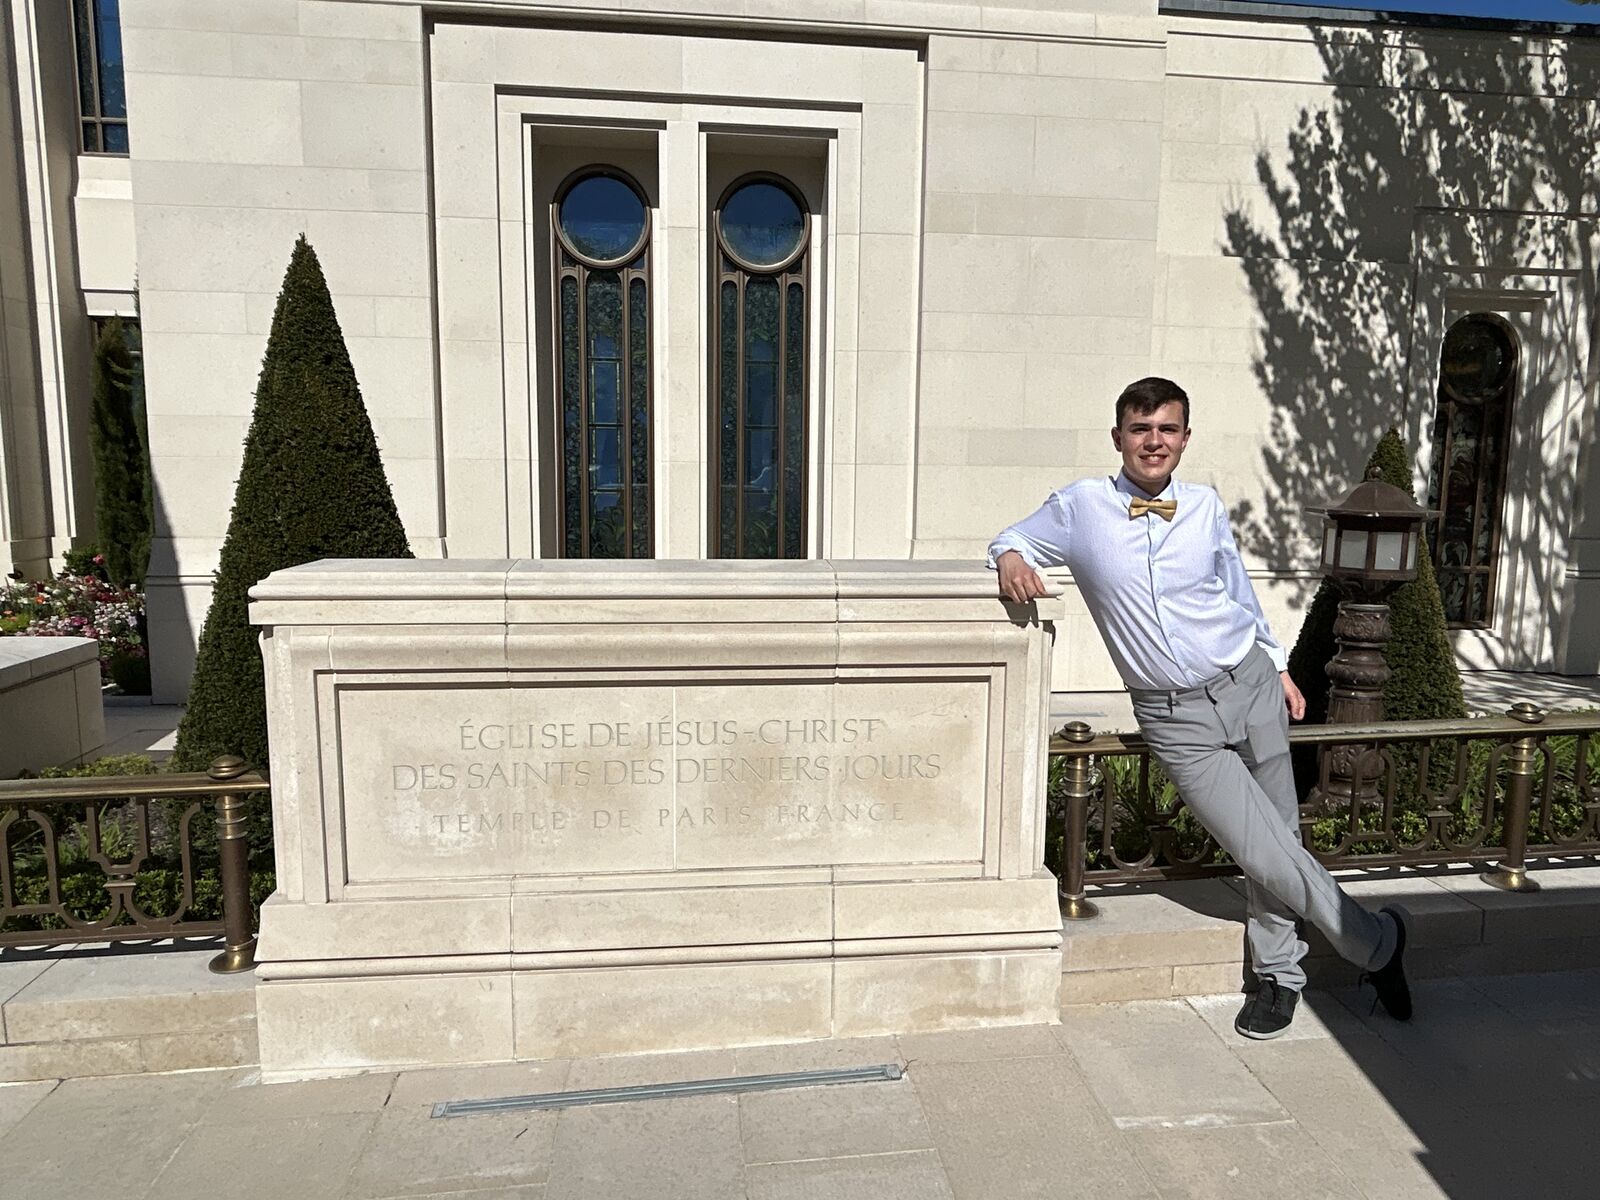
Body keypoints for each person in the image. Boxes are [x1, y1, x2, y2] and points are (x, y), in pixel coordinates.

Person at [987, 376, 1412, 1039]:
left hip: (1248, 684)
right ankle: (1377, 942)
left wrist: (1276, 664)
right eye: (1140, 428)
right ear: (1118, 437)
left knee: (1279, 840)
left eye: (1167, 429)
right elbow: (1010, 537)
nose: (1153, 441)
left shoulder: (1206, 505)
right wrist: (1012, 557)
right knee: (1261, 848)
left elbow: (1236, 589)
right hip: (1174, 716)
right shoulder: (1080, 507)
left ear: (1185, 438)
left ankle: (1279, 974)